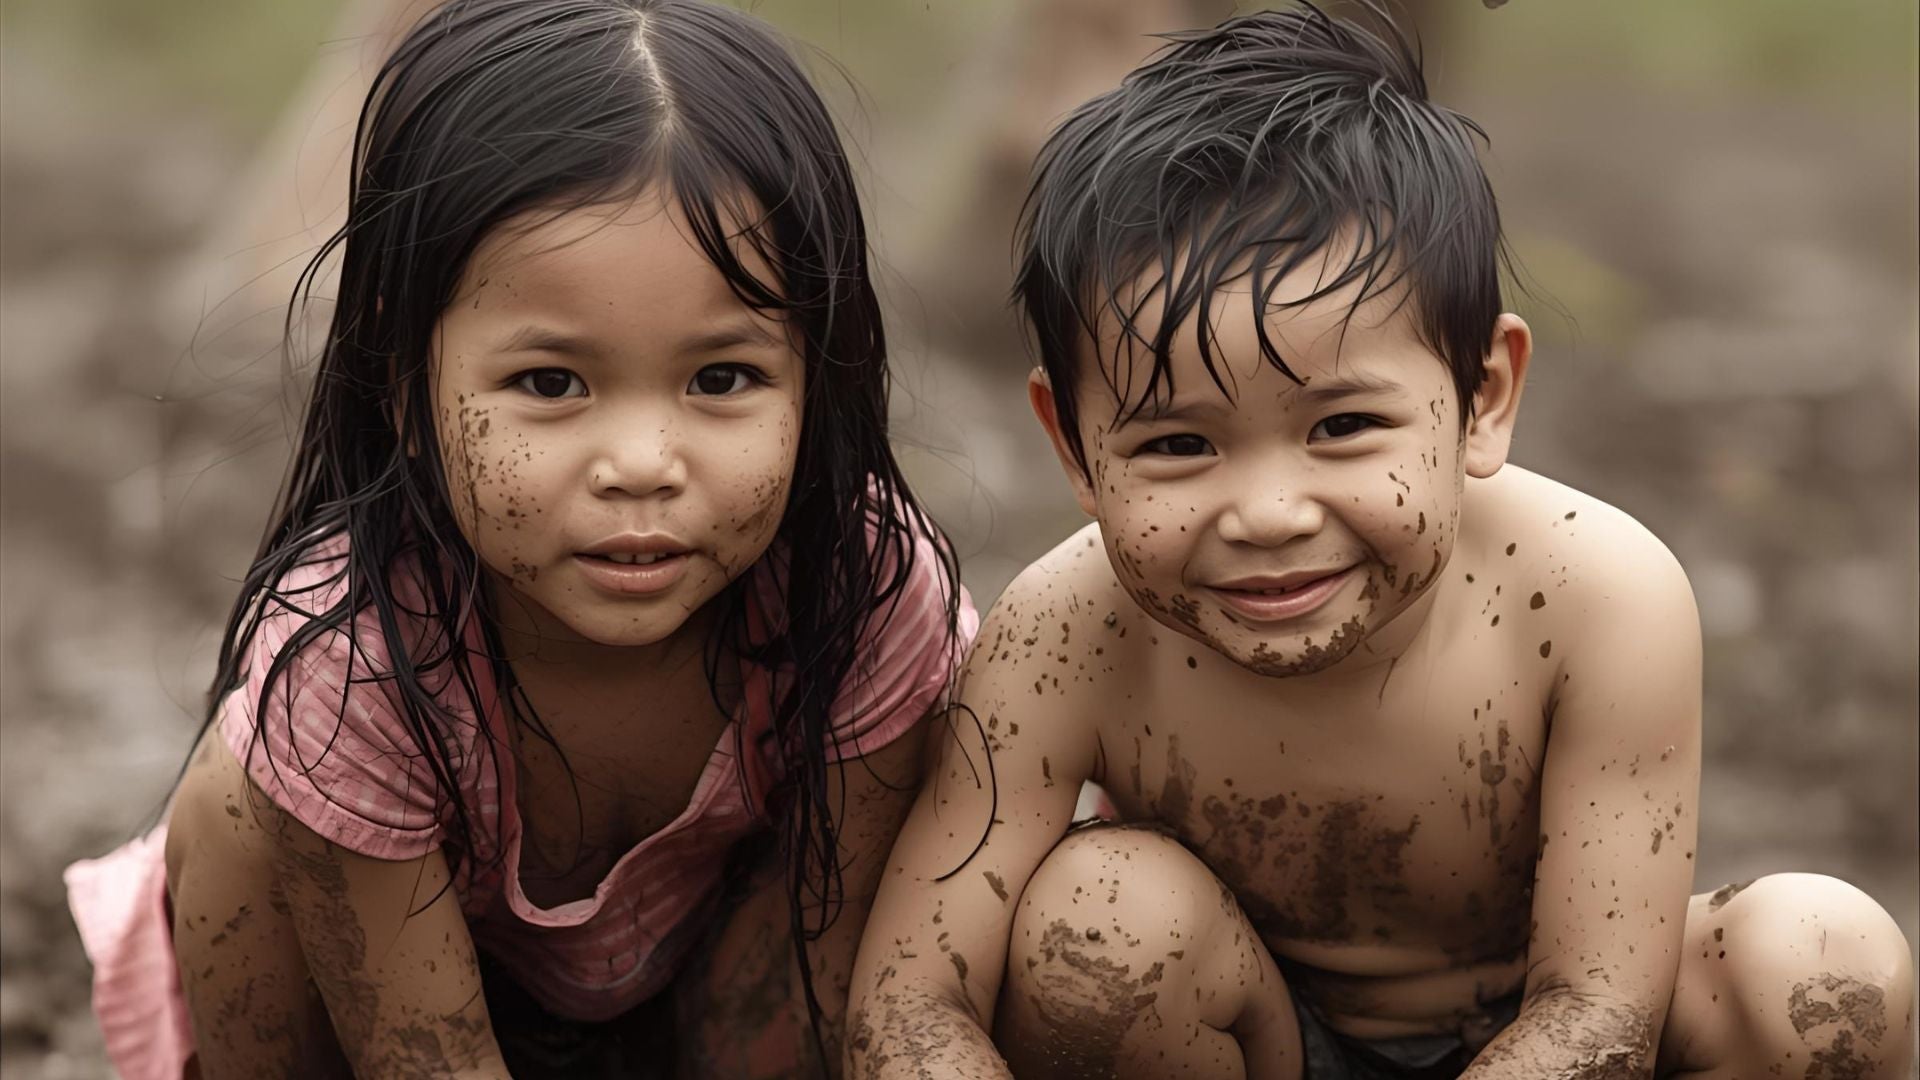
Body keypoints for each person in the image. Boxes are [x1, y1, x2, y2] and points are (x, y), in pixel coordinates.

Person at [844, 6, 1913, 1078]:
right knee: (1101, 917)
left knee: (1824, 963)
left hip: (1554, 1034)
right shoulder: (1066, 634)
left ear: (1483, 398)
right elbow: (909, 1000)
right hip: (1255, 1037)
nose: (1269, 513)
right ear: (1074, 448)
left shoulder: (1594, 599)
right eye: (1178, 445)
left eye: (1343, 427)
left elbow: (1600, 1010)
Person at [62, 1, 977, 1076]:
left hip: (688, 1003)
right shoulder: (354, 668)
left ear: (819, 371)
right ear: (405, 381)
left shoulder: (863, 589)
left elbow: (824, 990)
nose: (642, 462)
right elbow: (427, 1060)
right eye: (550, 383)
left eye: (722, 377)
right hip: (388, 1020)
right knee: (233, 799)